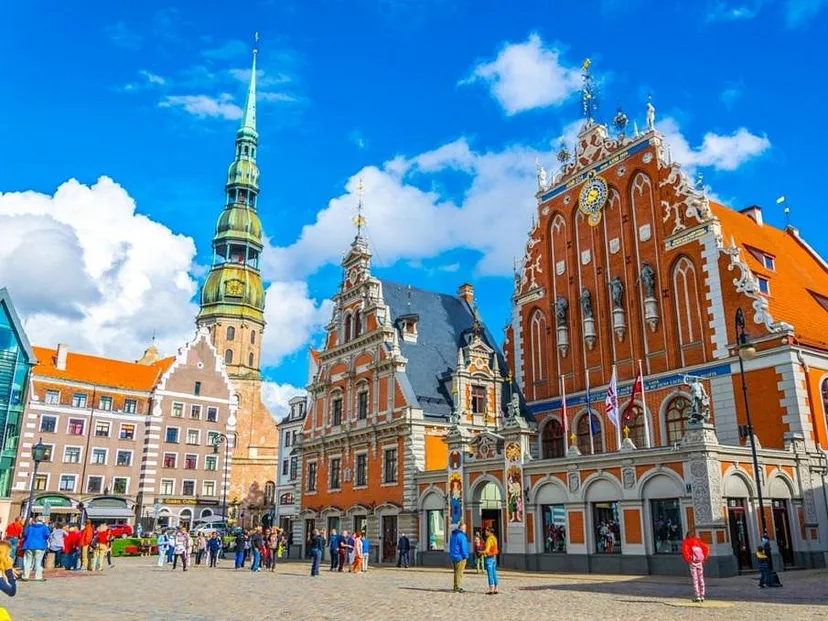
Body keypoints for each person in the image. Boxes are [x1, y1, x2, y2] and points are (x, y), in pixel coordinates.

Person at [681, 531, 709, 603]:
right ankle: (702, 595)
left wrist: (688, 560)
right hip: (700, 562)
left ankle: (697, 596)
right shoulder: (697, 541)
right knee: (701, 578)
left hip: (692, 562)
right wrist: (704, 558)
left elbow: (685, 551)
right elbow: (706, 548)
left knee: (695, 579)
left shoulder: (686, 542)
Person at [21, 515, 50, 582]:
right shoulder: (44, 527)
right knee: (38, 562)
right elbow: (47, 535)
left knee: (28, 561)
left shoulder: (30, 527)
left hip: (29, 545)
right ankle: (38, 577)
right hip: (40, 546)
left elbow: (25, 534)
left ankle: (25, 576)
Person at [449, 522, 470, 593]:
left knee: (456, 572)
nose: (465, 529)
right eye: (465, 528)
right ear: (462, 528)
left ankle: (455, 586)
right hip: (460, 556)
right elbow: (463, 547)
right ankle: (457, 587)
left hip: (454, 556)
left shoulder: (453, 535)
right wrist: (466, 555)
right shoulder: (462, 536)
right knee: (459, 573)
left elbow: (451, 545)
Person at [483, 527, 499, 595]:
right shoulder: (494, 538)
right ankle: (496, 588)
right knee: (494, 572)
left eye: (486, 531)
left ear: (489, 532)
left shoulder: (489, 539)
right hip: (494, 557)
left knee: (490, 573)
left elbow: (487, 550)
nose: (485, 532)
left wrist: (482, 552)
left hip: (489, 557)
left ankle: (491, 589)